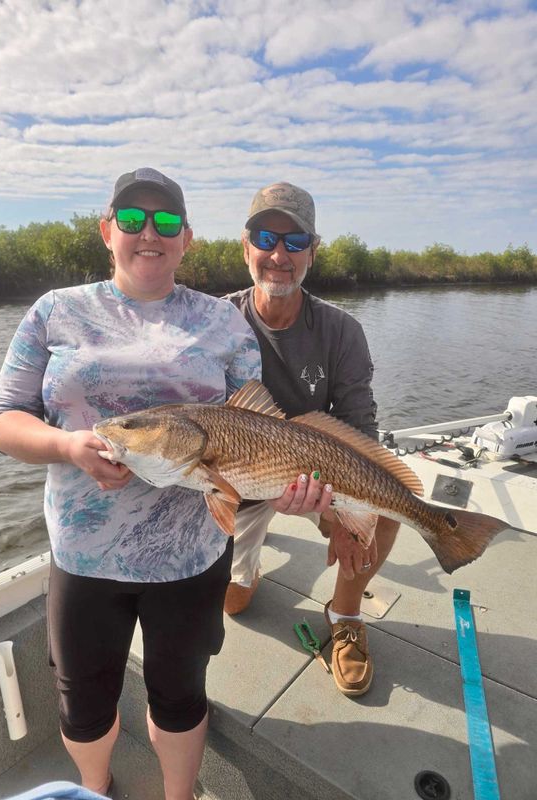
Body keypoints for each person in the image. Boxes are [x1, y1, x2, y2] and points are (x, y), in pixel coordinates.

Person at [0, 168, 264, 800]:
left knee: (180, 693)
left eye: (166, 222)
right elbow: (2, 420)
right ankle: (95, 787)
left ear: (186, 237)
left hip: (191, 557)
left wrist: (293, 490)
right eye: (132, 219)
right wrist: (65, 445)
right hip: (85, 559)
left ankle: (178, 796)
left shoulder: (222, 322)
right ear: (107, 229)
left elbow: (255, 428)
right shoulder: (55, 310)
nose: (149, 233)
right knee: (83, 700)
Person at [223, 182, 400, 697]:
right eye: (266, 237)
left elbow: (361, 430)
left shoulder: (341, 331)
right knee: (235, 603)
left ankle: (345, 615)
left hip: (314, 475)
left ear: (312, 253)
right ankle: (248, 564)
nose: (279, 255)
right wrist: (45, 401)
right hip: (234, 481)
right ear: (246, 246)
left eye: (295, 242)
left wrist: (346, 517)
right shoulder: (214, 321)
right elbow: (157, 386)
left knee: (385, 505)